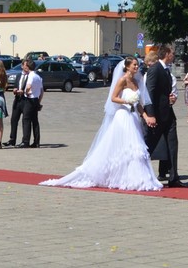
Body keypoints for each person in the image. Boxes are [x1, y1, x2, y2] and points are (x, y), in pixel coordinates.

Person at [41, 57, 162, 190]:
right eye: (134, 65)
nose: (136, 67)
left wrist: (145, 116)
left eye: (137, 65)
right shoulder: (122, 80)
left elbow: (138, 103)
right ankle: (116, 175)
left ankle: (134, 177)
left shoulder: (136, 81)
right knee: (126, 146)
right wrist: (126, 101)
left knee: (136, 148)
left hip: (132, 117)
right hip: (122, 116)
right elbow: (113, 98)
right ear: (127, 66)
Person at [144, 43, 181, 187]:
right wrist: (150, 114)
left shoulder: (166, 70)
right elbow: (150, 93)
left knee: (173, 145)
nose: (174, 56)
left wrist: (170, 98)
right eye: (172, 53)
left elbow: (163, 93)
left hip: (168, 115)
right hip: (157, 116)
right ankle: (140, 172)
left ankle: (173, 177)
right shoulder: (155, 69)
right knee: (149, 145)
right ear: (166, 54)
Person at [20, 59, 43, 148]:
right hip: (36, 99)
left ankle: (26, 141)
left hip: (30, 99)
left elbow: (28, 87)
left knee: (26, 120)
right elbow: (41, 91)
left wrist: (25, 91)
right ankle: (36, 141)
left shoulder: (31, 76)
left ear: (28, 66)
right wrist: (39, 101)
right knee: (35, 121)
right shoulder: (38, 76)